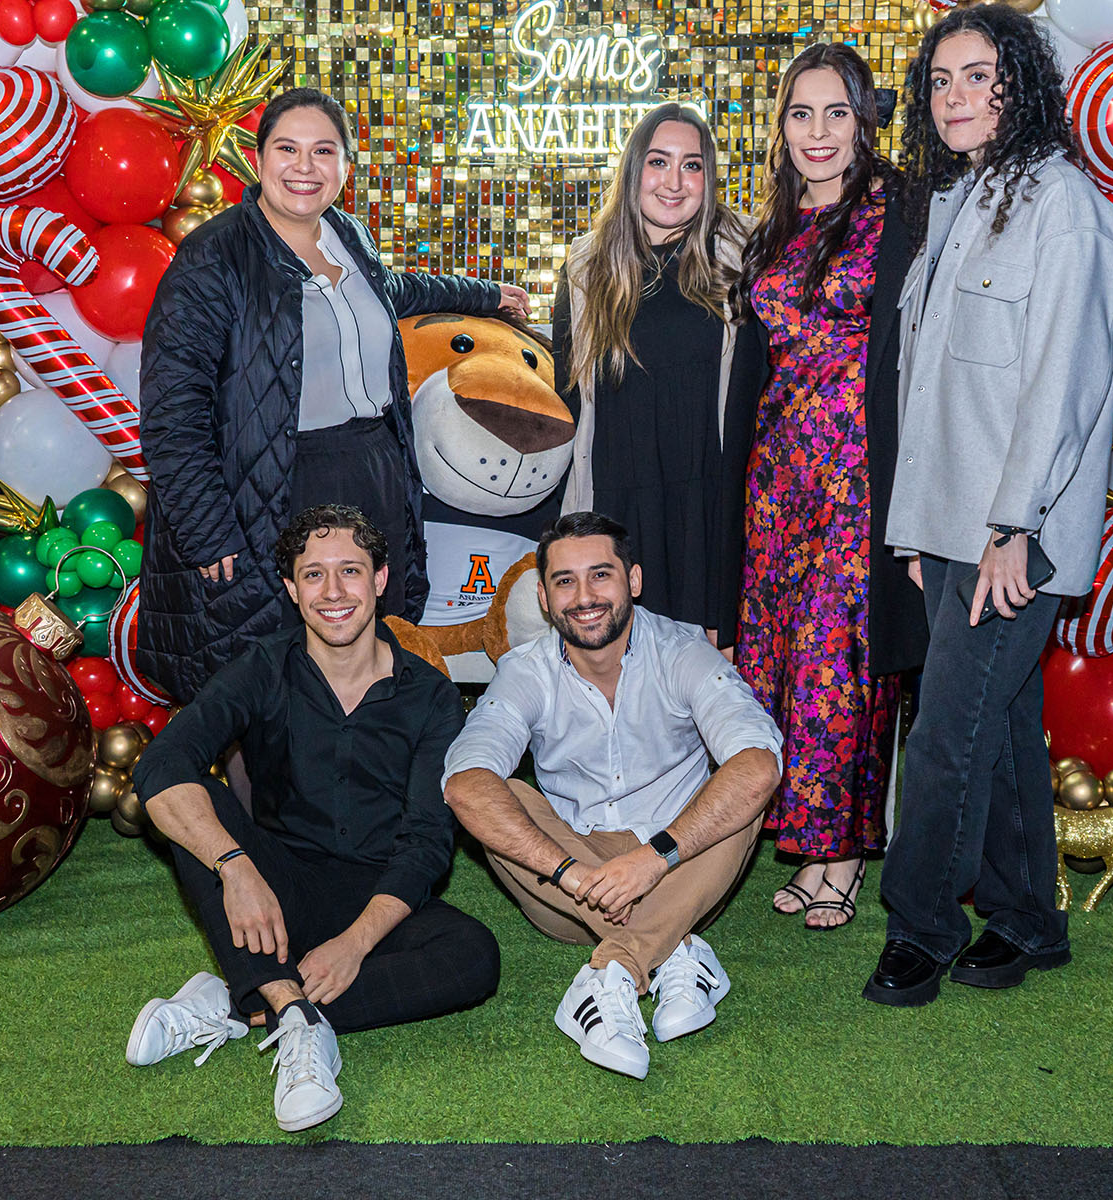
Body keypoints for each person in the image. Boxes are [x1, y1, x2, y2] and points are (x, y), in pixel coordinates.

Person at [866, 5, 1113, 1007]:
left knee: (944, 734)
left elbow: (1064, 383)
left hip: (1014, 533)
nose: (955, 96)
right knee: (1007, 723)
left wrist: (1013, 527)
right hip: (950, 529)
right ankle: (1027, 921)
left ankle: (922, 929)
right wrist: (919, 533)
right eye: (940, 80)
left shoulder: (1065, 206)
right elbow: (932, 390)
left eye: (979, 76)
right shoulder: (964, 201)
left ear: (1023, 83)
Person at [137, 87, 532, 702]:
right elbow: (172, 412)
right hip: (274, 490)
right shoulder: (212, 258)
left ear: (346, 166)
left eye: (323, 151)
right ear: (259, 158)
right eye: (286, 148)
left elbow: (391, 291)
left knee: (370, 661)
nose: (304, 166)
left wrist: (483, 296)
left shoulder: (344, 233)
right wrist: (207, 531)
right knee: (273, 681)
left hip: (372, 476)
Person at [127, 504, 500, 1131]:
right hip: (278, 883)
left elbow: (427, 842)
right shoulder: (262, 667)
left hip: (376, 893)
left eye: (350, 571)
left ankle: (243, 998)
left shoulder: (431, 693)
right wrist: (236, 868)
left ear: (379, 580)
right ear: (291, 589)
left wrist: (356, 944)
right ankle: (295, 1017)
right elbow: (163, 764)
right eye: (314, 575)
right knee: (198, 800)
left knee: (474, 957)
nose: (333, 592)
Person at [443, 512, 782, 1081]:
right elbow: (465, 779)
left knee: (743, 782)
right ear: (546, 600)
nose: (584, 597)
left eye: (600, 575)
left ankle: (616, 972)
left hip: (680, 869)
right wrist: (572, 873)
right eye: (565, 581)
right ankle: (673, 949)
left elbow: (756, 764)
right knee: (495, 796)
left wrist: (653, 860)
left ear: (634, 581)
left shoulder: (683, 649)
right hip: (574, 893)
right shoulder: (525, 670)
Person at [731, 43, 925, 928]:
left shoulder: (903, 213)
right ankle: (800, 842)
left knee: (840, 664)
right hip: (776, 479)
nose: (818, 132)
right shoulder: (770, 230)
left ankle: (841, 852)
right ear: (780, 127)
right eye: (801, 114)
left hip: (859, 478)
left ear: (864, 123)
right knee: (775, 662)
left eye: (836, 113)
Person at [552, 103, 768, 651]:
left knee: (710, 681)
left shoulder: (746, 255)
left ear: (709, 177)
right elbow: (569, 403)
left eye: (692, 166)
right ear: (633, 171)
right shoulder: (584, 268)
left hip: (708, 503)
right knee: (617, 672)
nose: (674, 182)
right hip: (618, 502)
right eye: (658, 162)